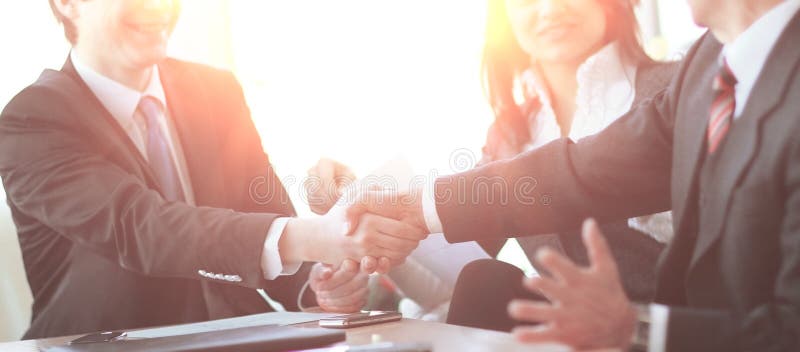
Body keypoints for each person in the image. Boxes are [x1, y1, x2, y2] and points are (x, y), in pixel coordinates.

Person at [347, 0, 800, 350]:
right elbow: (586, 169)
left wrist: (638, 327)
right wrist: (408, 211)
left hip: (688, 332)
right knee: (485, 284)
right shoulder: (712, 63)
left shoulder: (682, 73)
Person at [0, 0, 424, 339]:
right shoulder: (31, 120)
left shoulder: (215, 91)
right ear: (68, 3)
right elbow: (141, 227)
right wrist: (317, 238)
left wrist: (317, 282)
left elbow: (269, 223)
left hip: (245, 337)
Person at [477, 0, 676, 304]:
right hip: (565, 339)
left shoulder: (678, 88)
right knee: (481, 283)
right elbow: (456, 267)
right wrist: (386, 242)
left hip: (676, 330)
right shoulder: (508, 135)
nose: (550, 9)